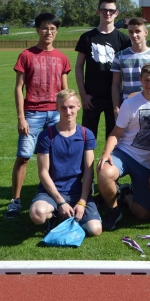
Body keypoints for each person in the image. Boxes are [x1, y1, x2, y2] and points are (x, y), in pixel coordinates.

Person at [6, 13, 71, 219]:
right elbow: (18, 88)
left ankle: (56, 197)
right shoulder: (26, 55)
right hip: (32, 113)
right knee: (24, 157)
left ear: (56, 31)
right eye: (44, 28)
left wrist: (67, 115)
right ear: (37, 30)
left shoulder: (62, 57)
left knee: (58, 157)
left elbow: (65, 91)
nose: (48, 32)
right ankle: (15, 202)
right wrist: (21, 118)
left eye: (52, 29)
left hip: (55, 114)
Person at [97, 63, 150, 231]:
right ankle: (114, 211)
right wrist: (106, 153)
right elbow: (116, 133)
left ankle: (126, 195)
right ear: (140, 80)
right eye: (146, 80)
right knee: (104, 172)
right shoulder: (130, 103)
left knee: (142, 215)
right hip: (127, 153)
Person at [29, 90, 101, 236]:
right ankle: (56, 215)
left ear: (79, 106)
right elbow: (43, 172)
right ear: (57, 108)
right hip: (51, 192)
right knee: (37, 214)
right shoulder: (46, 135)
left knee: (95, 230)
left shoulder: (86, 134)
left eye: (71, 107)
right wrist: (61, 202)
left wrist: (82, 202)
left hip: (77, 192)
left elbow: (88, 171)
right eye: (63, 107)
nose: (68, 111)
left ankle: (69, 216)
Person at [75, 0, 130, 141]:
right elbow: (79, 66)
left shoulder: (124, 40)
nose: (108, 13)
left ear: (116, 13)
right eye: (104, 10)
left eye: (111, 11)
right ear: (98, 12)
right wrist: (83, 94)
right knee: (86, 138)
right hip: (91, 97)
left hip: (115, 98)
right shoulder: (87, 37)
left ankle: (109, 164)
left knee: (113, 139)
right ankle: (86, 165)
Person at [111, 17, 150, 114]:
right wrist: (116, 107)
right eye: (131, 32)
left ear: (146, 33)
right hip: (128, 105)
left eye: (137, 31)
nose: (134, 35)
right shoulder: (120, 56)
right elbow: (115, 85)